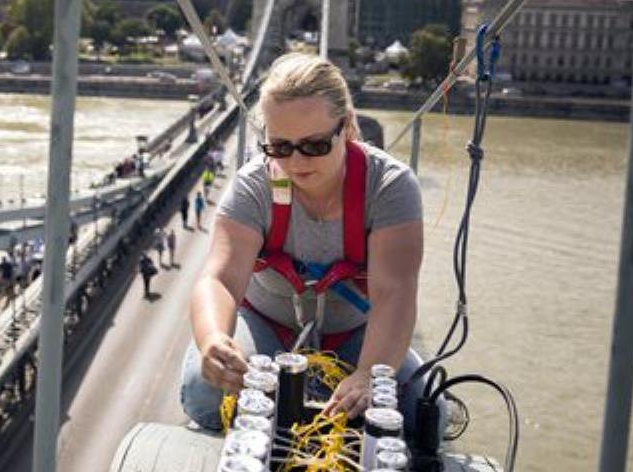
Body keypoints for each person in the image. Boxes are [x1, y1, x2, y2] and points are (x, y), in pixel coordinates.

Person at [180, 53, 442, 446]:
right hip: (267, 325)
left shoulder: (389, 186)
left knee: (423, 410)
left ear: (348, 127)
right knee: (205, 391)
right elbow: (219, 278)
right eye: (279, 147)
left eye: (315, 145)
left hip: (356, 332)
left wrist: (369, 372)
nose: (297, 162)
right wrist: (214, 337)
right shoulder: (254, 186)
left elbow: (395, 292)